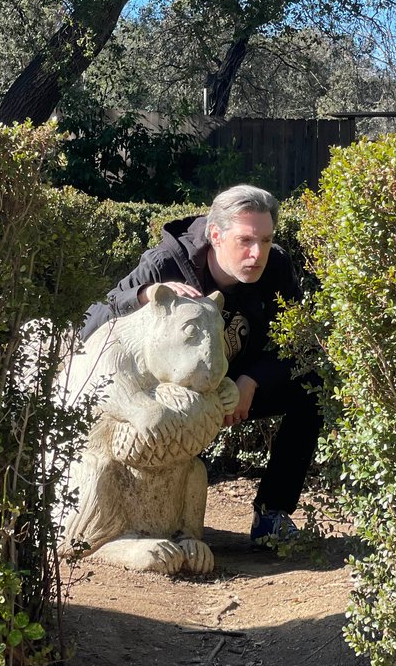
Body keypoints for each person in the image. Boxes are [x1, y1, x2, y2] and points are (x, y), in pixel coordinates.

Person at [81, 185, 321, 548]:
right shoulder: (166, 262)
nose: (257, 254)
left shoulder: (277, 268)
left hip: (234, 388)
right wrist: (145, 295)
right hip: (171, 403)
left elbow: (297, 344)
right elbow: (95, 321)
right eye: (245, 241)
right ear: (215, 234)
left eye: (266, 240)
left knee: (311, 391)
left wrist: (252, 380)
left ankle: (272, 515)